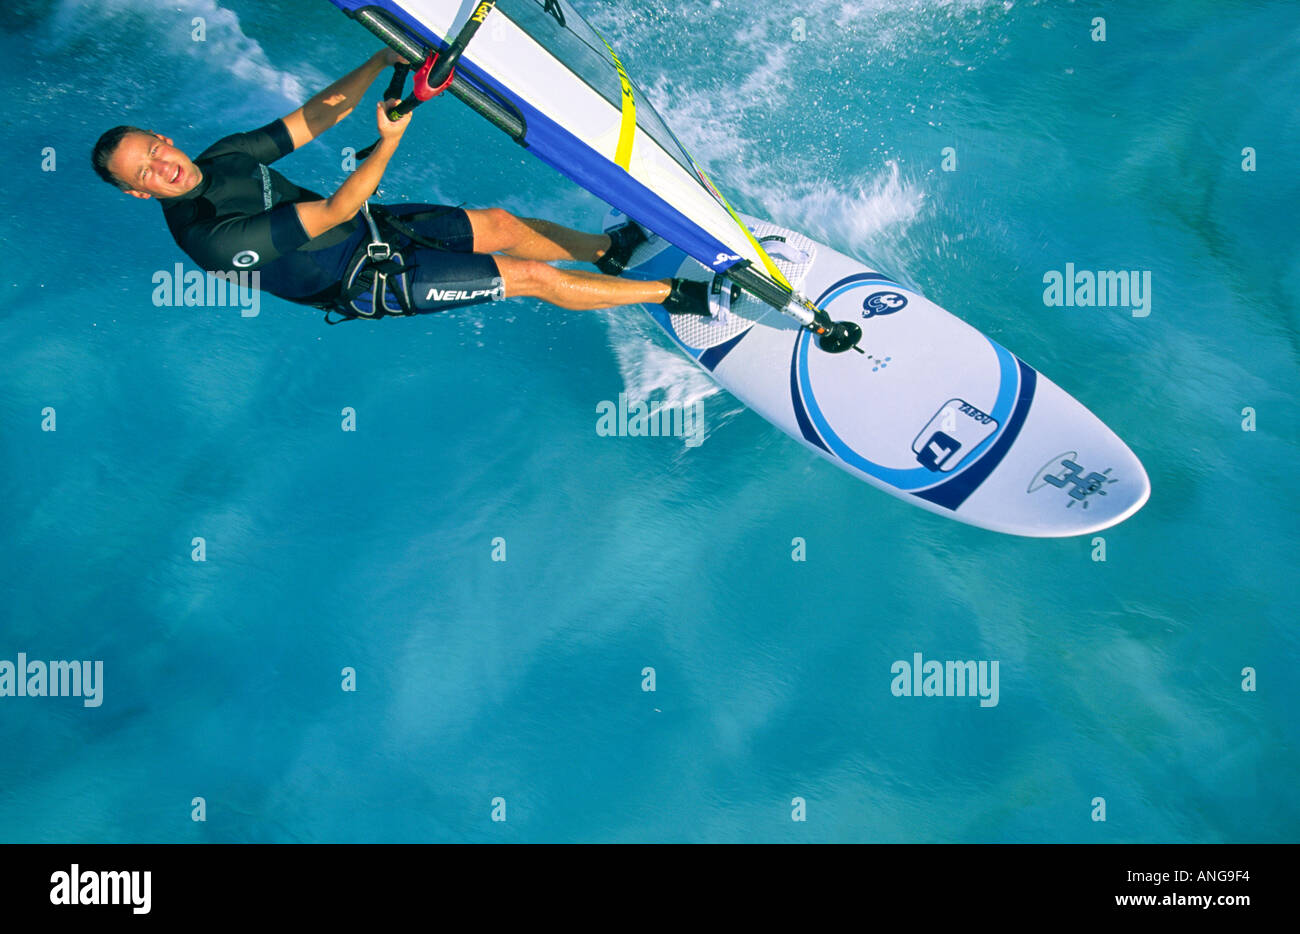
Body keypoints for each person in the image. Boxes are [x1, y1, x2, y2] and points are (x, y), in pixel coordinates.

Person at [90, 48, 711, 322]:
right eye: (143, 174)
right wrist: (388, 140)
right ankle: (675, 295)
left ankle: (613, 253)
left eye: (153, 151)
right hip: (365, 280)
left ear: (163, 137)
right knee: (530, 278)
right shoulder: (206, 240)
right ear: (138, 193)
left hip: (373, 228)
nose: (161, 168)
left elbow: (315, 116)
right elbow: (334, 210)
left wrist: (381, 61)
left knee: (503, 224)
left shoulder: (219, 158)